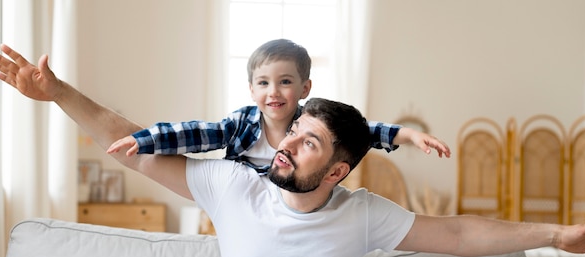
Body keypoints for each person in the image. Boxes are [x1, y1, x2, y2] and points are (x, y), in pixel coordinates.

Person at [0, 44, 585, 257]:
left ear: (339, 171)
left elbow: (456, 235)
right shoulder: (234, 188)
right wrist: (58, 93)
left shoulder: (361, 215)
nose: (287, 144)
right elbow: (129, 140)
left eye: (309, 142)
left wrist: (559, 237)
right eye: (293, 131)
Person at [112, 39, 451, 173]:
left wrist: (408, 135)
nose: (273, 92)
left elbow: (364, 131)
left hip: (293, 201)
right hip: (247, 202)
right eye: (263, 83)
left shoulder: (311, 123)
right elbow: (198, 133)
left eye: (285, 82)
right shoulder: (241, 124)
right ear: (251, 90)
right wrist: (144, 139)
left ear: (305, 87)